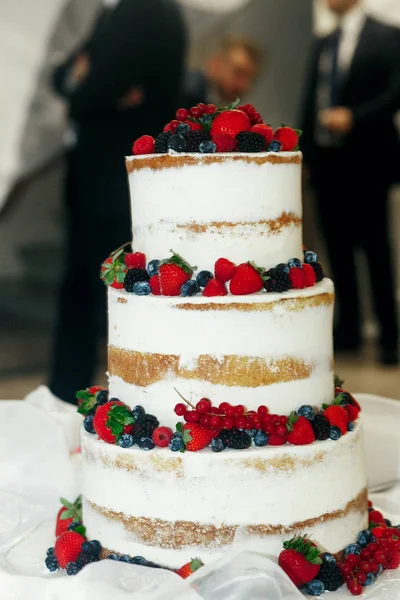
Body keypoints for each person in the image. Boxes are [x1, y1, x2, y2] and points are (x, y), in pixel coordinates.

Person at [49, 0, 186, 404]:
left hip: (115, 184)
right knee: (88, 292)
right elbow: (63, 77)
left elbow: (96, 85)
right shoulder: (117, 11)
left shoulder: (146, 10)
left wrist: (86, 86)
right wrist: (84, 84)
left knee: (110, 297)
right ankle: (72, 396)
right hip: (101, 181)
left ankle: (117, 400)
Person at [300, 0, 400, 365]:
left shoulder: (388, 36)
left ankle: (390, 335)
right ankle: (349, 329)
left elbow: (394, 93)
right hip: (329, 162)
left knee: (376, 249)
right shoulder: (324, 41)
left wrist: (353, 117)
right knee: (337, 249)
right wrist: (305, 154)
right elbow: (309, 102)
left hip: (369, 159)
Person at [182, 36, 262, 108]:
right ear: (215, 64)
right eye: (239, 73)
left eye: (251, 79)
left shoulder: (207, 100)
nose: (245, 86)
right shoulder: (187, 96)